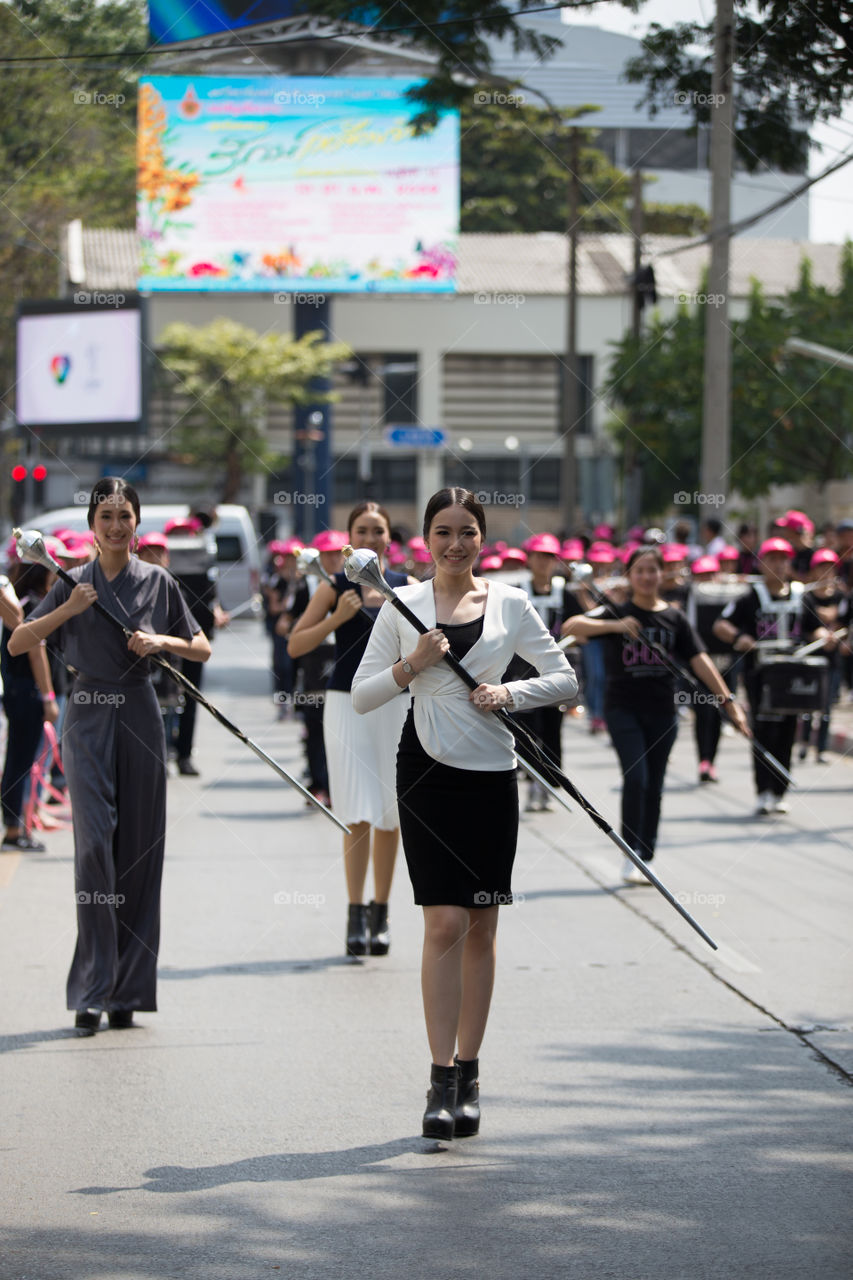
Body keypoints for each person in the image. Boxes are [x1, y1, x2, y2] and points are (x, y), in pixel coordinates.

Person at [351, 488, 578, 1140]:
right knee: (443, 923)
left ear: (483, 537)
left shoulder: (509, 603)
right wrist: (411, 664)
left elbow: (562, 678)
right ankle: (438, 1076)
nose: (455, 543)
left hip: (491, 778)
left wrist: (509, 691)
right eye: (443, 531)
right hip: (423, 775)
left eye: (467, 532)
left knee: (480, 926)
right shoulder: (401, 606)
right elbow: (364, 694)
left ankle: (470, 1072)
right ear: (425, 538)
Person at [9, 478, 211, 1035]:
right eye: (106, 516)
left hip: (141, 710)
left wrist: (161, 643)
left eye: (125, 515)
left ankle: (128, 990)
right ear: (93, 525)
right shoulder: (71, 580)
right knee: (95, 843)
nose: (116, 525)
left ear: (137, 522)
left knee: (140, 851)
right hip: (87, 712)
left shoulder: (160, 581)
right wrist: (67, 608)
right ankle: (93, 985)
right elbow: (19, 641)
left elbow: (201, 645)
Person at [563, 546, 749, 882]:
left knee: (655, 785)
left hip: (663, 712)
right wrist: (617, 627)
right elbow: (572, 626)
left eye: (653, 570)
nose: (647, 577)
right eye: (640, 570)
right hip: (622, 709)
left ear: (661, 574)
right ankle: (630, 850)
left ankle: (646, 853)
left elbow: (700, 660)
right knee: (636, 780)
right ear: (630, 575)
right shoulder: (615, 611)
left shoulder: (674, 618)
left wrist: (728, 701)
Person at [288, 501, 410, 958]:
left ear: (388, 540)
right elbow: (297, 643)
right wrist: (338, 616)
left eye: (378, 531)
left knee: (391, 811)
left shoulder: (407, 587)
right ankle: (355, 911)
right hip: (345, 704)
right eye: (362, 530)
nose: (372, 538)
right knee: (355, 810)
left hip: (397, 704)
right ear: (349, 539)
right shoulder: (334, 586)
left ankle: (382, 911)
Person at [712, 537, 802, 816]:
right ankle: (763, 791)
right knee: (763, 731)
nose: (778, 564)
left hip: (793, 676)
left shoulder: (800, 596)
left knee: (788, 731)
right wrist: (740, 637)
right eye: (772, 559)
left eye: (783, 559)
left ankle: (780, 791)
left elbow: (815, 627)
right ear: (762, 564)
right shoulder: (750, 597)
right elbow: (720, 625)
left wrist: (824, 632)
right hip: (760, 676)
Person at [1, 560, 55, 851]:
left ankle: (15, 825)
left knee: (17, 761)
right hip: (27, 692)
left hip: (13, 691)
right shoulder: (32, 606)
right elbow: (37, 654)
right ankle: (13, 829)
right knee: (21, 763)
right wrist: (48, 698)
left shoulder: (20, 603)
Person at [797, 548, 849, 764]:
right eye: (821, 568)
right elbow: (804, 627)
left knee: (827, 704)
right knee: (809, 702)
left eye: (829, 569)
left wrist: (837, 634)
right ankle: (804, 744)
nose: (826, 573)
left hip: (832, 657)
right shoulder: (806, 597)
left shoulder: (840, 597)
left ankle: (820, 750)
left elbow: (846, 621)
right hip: (811, 658)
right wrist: (821, 634)